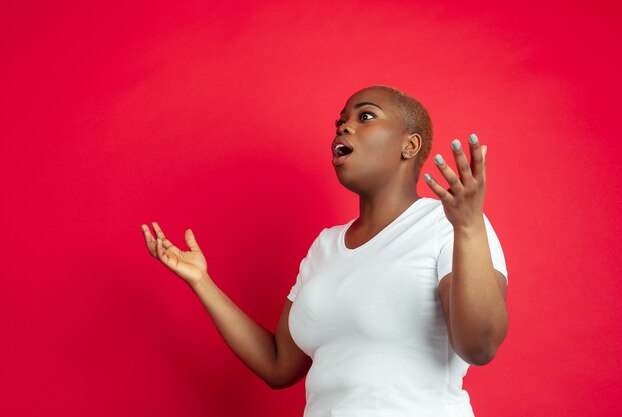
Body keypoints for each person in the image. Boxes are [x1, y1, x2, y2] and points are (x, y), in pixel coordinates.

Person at [141, 85, 508, 417]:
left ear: (409, 146)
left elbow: (480, 346)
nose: (344, 128)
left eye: (365, 116)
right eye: (341, 121)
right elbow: (278, 364)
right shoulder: (324, 247)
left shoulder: (448, 224)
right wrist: (202, 282)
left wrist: (469, 227)